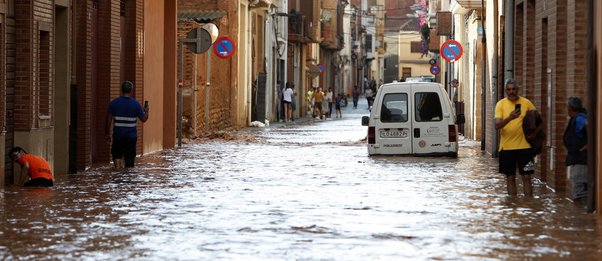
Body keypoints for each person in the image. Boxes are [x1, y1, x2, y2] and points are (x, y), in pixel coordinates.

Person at [494, 79, 536, 197]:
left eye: (513, 89)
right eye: (508, 89)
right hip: (506, 148)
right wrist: (509, 118)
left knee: (527, 177)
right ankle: (512, 204)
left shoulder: (527, 103)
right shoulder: (500, 104)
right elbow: (497, 125)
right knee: (510, 177)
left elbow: (536, 122)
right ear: (506, 90)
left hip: (525, 147)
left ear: (518, 89)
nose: (511, 92)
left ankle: (528, 204)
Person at [105, 80, 149, 169]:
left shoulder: (114, 103)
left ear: (121, 90)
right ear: (131, 91)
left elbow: (108, 121)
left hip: (118, 135)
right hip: (131, 137)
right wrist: (147, 111)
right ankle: (127, 178)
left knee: (117, 155)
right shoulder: (136, 104)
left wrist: (107, 134)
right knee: (129, 161)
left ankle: (117, 172)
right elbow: (143, 119)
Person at [563, 96, 588, 201]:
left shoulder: (579, 118)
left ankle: (581, 215)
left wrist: (590, 144)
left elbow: (588, 125)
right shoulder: (577, 118)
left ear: (570, 108)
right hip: (579, 159)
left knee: (579, 193)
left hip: (582, 160)